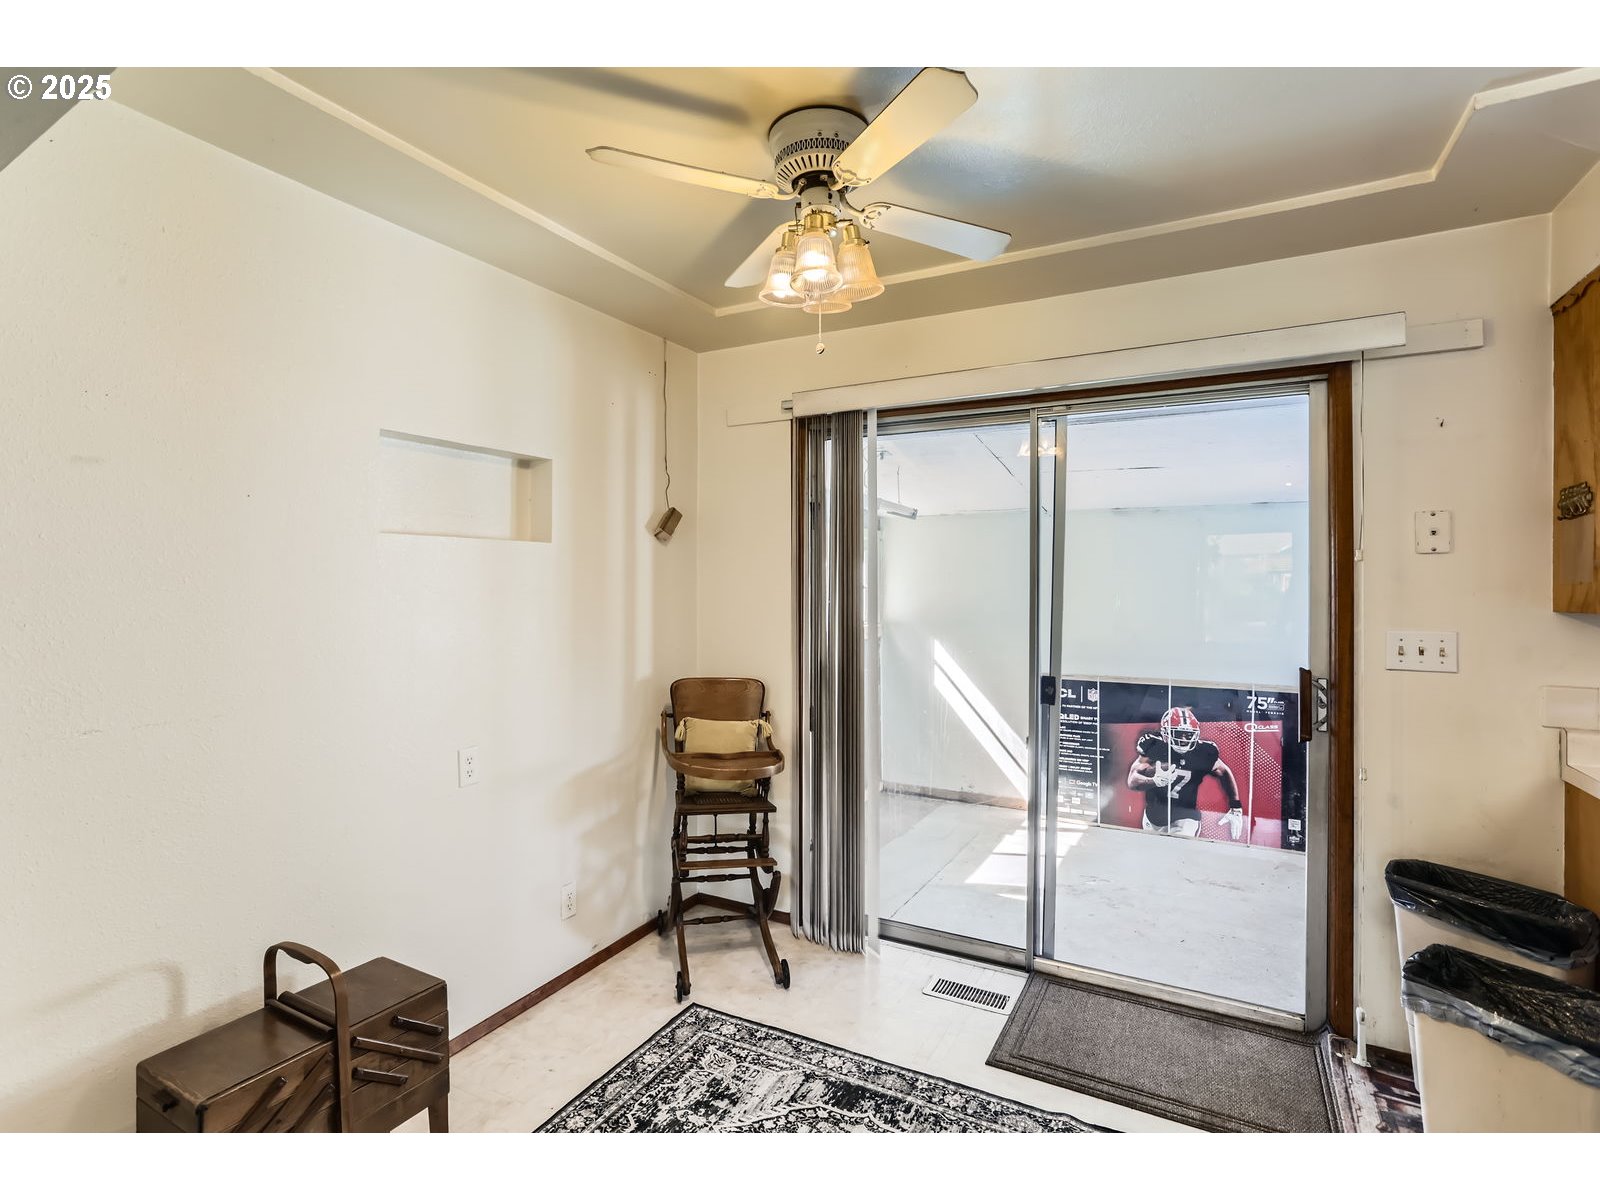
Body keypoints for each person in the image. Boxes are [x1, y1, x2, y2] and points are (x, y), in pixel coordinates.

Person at [1125, 705, 1245, 839]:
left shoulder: (1202, 752)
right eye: (1178, 733)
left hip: (1185, 817)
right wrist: (1154, 781)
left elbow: (1223, 771)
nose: (1183, 739)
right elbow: (1132, 780)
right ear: (1165, 734)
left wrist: (1236, 807)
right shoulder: (1154, 745)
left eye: (1188, 734)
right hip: (1153, 816)